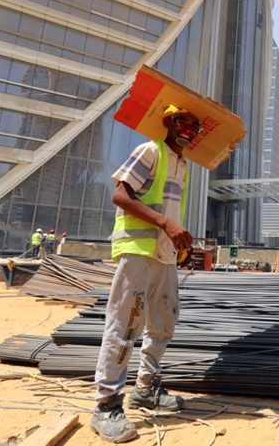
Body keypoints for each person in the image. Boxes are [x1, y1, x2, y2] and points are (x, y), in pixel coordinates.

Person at [91, 105, 201, 443]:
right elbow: (120, 195)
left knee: (163, 322)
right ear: (168, 122)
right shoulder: (151, 150)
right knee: (125, 326)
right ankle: (106, 405)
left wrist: (178, 240)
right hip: (138, 253)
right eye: (182, 121)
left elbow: (168, 209)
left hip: (164, 255)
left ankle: (145, 387)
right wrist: (166, 223)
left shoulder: (182, 165)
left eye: (195, 126)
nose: (188, 129)